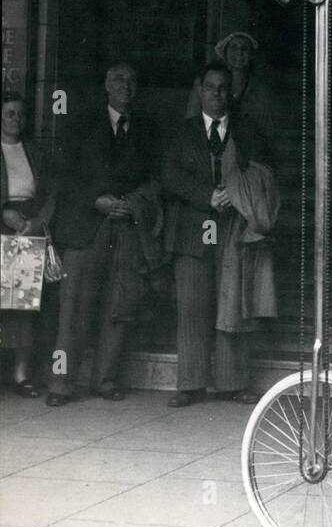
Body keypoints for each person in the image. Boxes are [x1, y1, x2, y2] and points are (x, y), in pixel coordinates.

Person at [46, 63, 163, 406]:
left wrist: (134, 202)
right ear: (106, 86)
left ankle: (106, 379)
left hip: (127, 227)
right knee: (73, 310)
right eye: (118, 80)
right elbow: (62, 176)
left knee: (119, 305)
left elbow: (155, 178)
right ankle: (61, 383)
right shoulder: (80, 123)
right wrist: (96, 200)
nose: (125, 86)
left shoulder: (148, 129)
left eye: (131, 80)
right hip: (86, 227)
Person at [163, 60, 276, 407]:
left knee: (232, 305)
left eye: (223, 88)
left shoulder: (247, 130)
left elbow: (266, 172)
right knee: (192, 306)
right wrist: (206, 195)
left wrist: (237, 190)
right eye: (210, 87)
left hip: (233, 231)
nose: (216, 94)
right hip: (193, 230)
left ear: (231, 92)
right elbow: (169, 176)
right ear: (199, 90)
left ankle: (233, 382)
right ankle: (191, 383)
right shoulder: (182, 132)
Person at [1, 89, 55, 396]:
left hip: (27, 230)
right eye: (9, 113)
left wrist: (37, 222)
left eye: (20, 114)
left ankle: (21, 374)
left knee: (23, 305)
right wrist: (4, 212)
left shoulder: (33, 150)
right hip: (2, 224)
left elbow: (48, 192)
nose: (15, 119)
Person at [185, 31, 276, 149]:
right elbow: (191, 123)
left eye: (244, 49)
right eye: (234, 48)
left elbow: (265, 132)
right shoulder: (203, 83)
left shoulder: (260, 91)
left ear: (251, 55)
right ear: (225, 53)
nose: (239, 53)